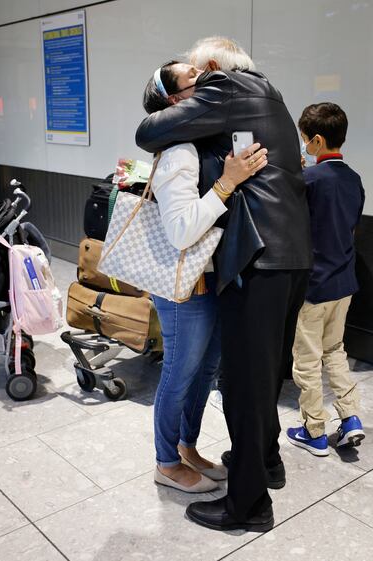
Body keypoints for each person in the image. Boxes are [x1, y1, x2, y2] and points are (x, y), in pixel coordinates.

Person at [136, 37, 312, 532]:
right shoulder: (267, 93)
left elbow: (146, 130)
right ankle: (266, 464)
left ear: (213, 68)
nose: (196, 86)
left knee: (241, 385)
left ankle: (249, 507)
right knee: (262, 374)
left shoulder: (226, 86)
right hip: (290, 255)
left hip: (259, 260)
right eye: (186, 82)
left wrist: (223, 183)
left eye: (195, 74)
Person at [142, 61, 268, 493]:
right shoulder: (178, 150)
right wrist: (227, 183)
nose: (210, 81)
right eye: (195, 79)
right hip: (183, 284)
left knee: (205, 369)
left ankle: (186, 447)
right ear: (176, 101)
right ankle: (165, 461)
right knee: (180, 371)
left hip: (209, 277)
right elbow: (180, 232)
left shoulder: (202, 145)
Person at [285, 103, 366, 456]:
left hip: (315, 285)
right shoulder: (354, 179)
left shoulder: (308, 181)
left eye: (305, 139)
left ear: (316, 140)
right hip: (344, 282)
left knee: (306, 359)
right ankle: (350, 419)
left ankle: (313, 431)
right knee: (335, 351)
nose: (304, 144)